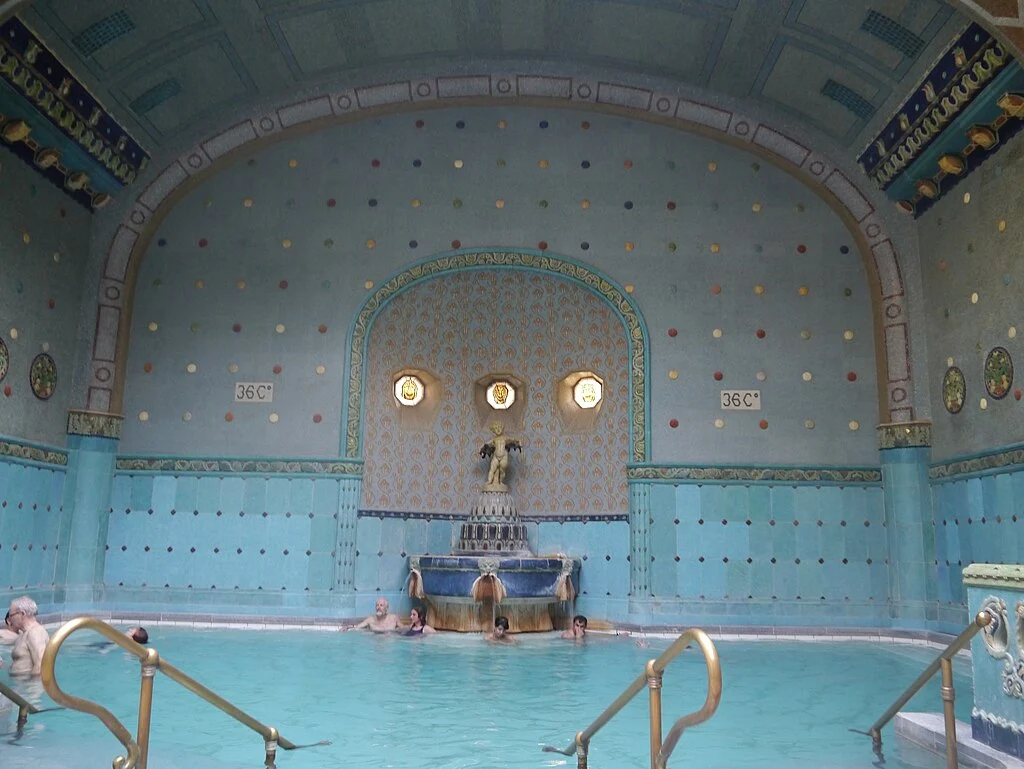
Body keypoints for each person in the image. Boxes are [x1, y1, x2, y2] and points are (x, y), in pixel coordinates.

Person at [7, 597, 49, 677]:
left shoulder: (35, 632)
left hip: (28, 686)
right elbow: (22, 662)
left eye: (11, 616)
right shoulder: (23, 634)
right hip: (20, 685)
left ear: (22, 614)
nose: (9, 620)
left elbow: (41, 666)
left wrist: (32, 688)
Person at [479, 422, 522, 490]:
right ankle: (489, 481)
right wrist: (481, 447)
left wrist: (519, 442)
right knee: (492, 469)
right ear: (493, 431)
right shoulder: (494, 439)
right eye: (496, 429)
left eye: (499, 428)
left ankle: (501, 481)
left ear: (502, 428)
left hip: (504, 456)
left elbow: (514, 439)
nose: (498, 429)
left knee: (502, 470)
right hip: (496, 456)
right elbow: (486, 444)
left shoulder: (505, 438)